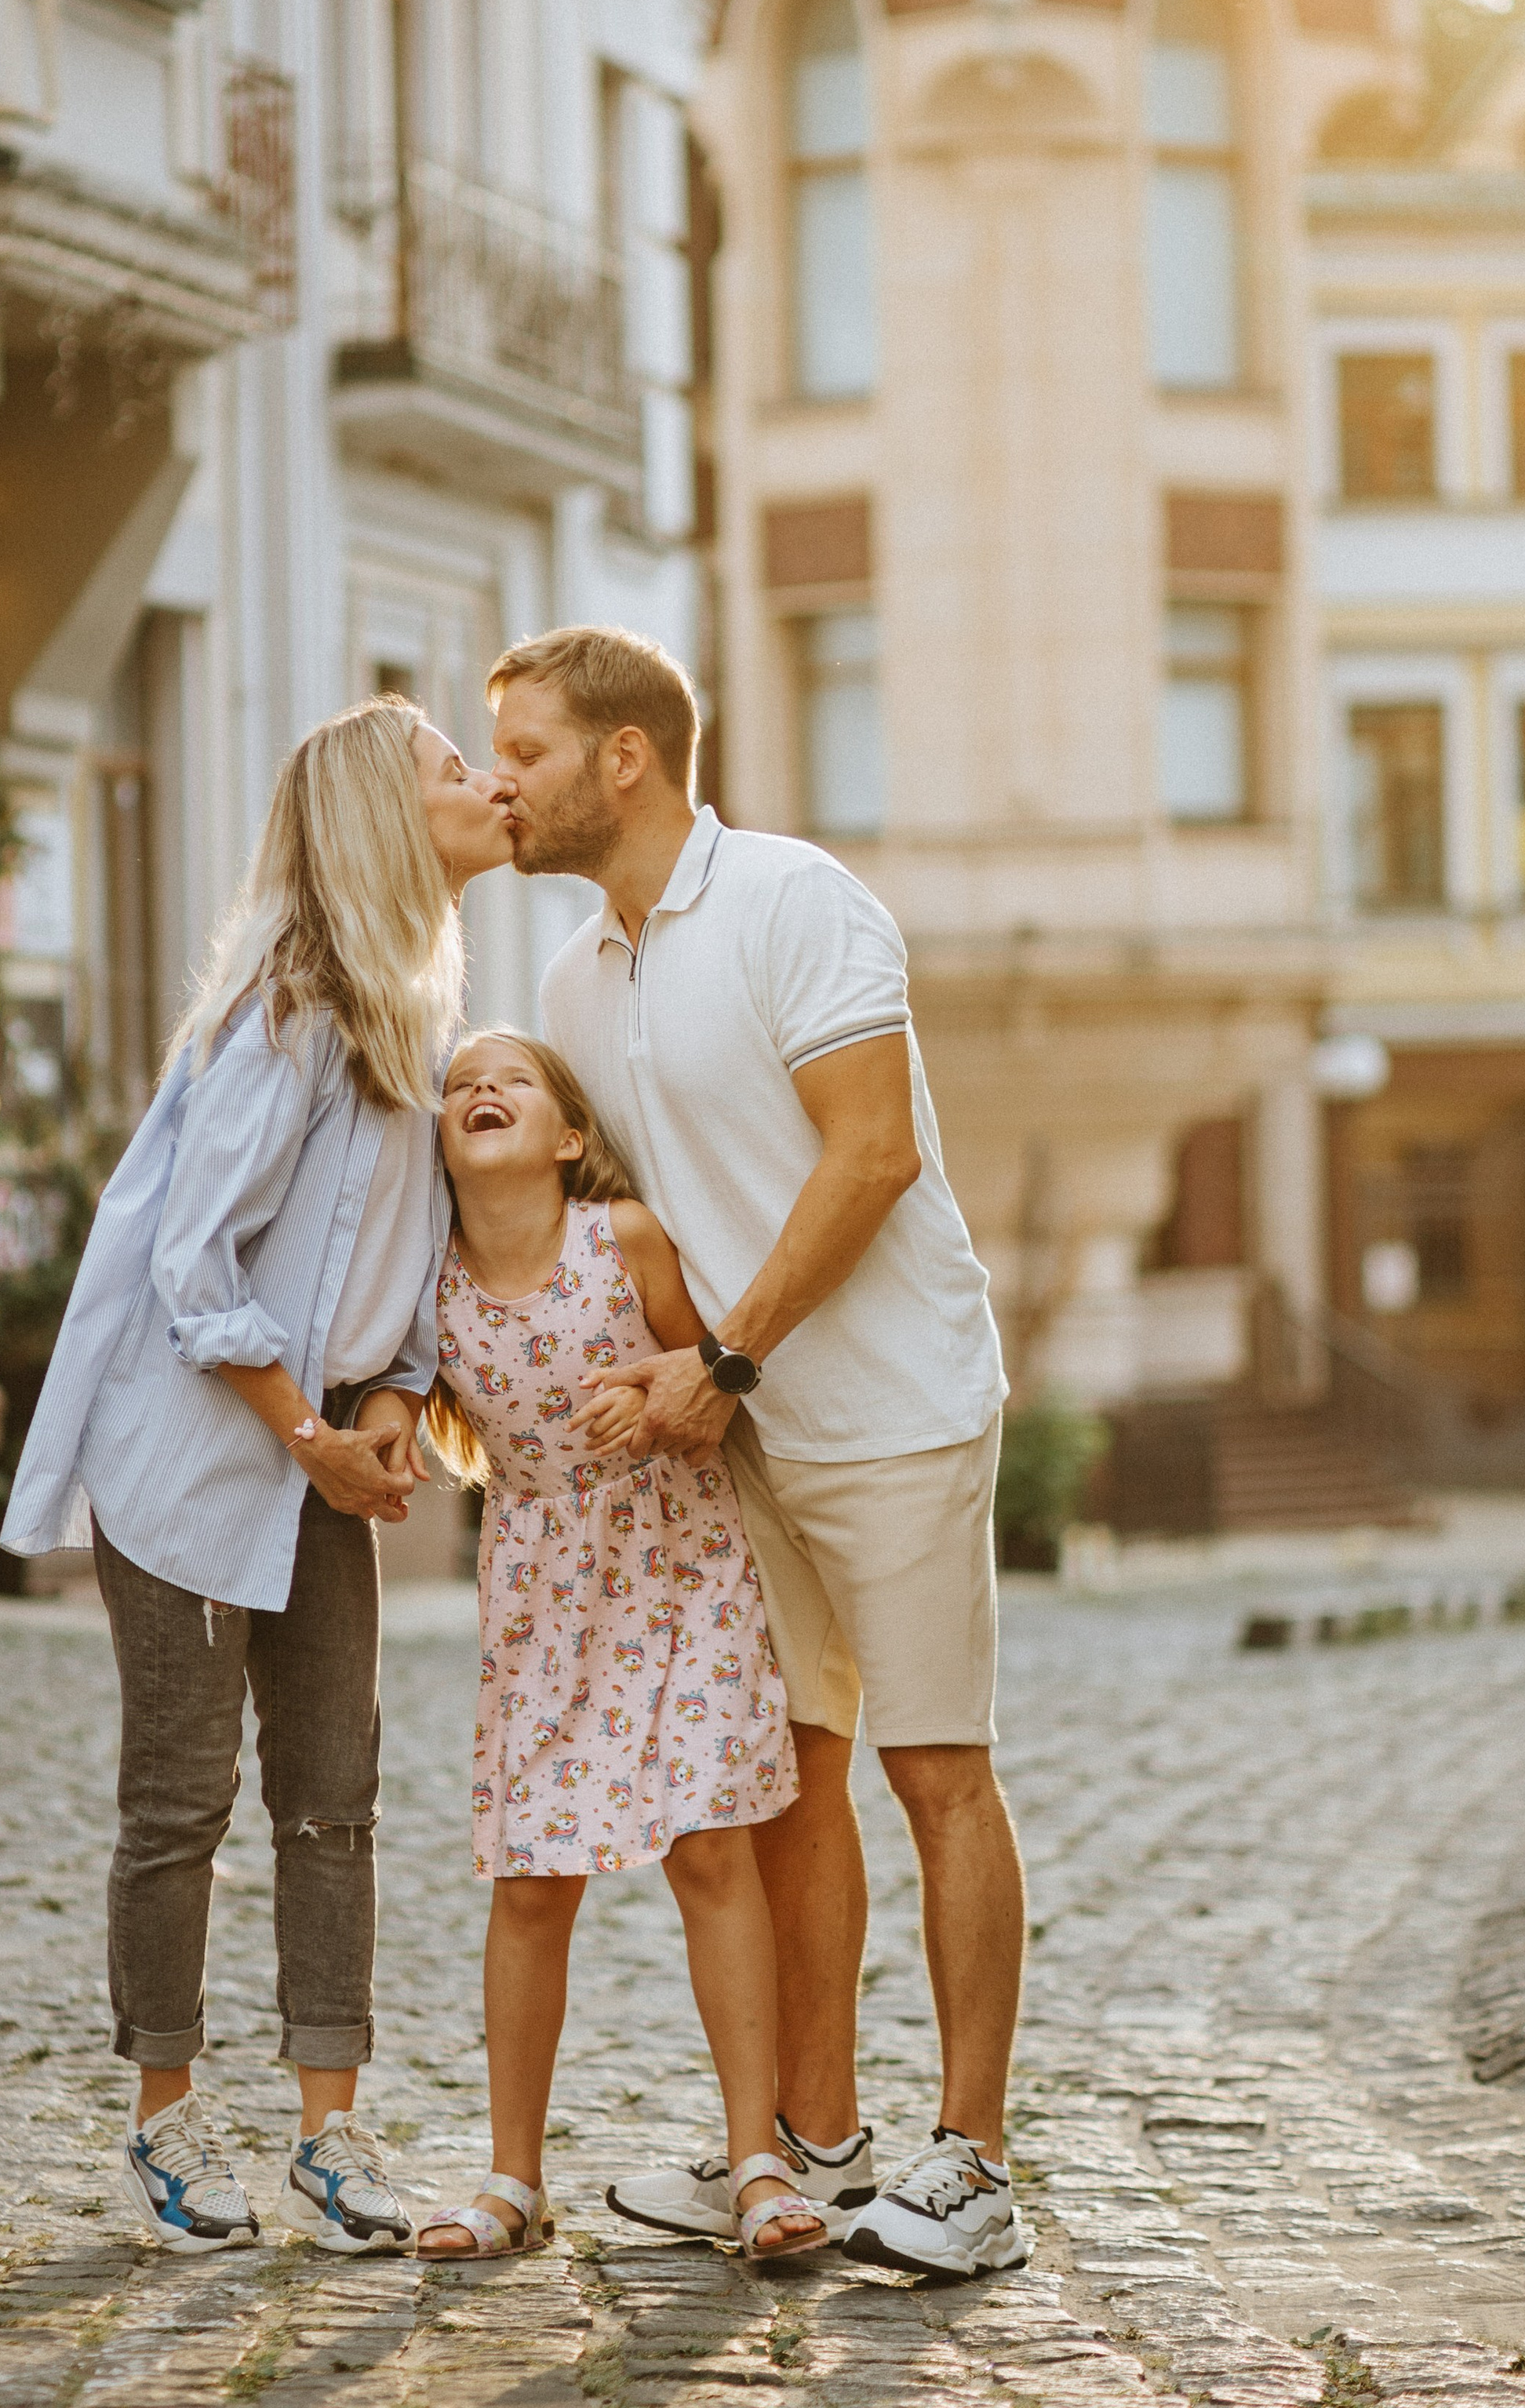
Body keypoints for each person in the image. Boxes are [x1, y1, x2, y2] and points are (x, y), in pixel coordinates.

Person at [486, 625, 1028, 2281]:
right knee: (788, 1774)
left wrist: (725, 1357)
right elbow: (612, 1217)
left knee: (931, 1766)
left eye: (521, 751)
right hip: (732, 1437)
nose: (499, 781)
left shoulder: (797, 900)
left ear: (623, 757)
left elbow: (868, 1159)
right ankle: (816, 2142)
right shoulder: (577, 976)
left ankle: (974, 2159)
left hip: (891, 1407)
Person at [0, 699, 512, 2257]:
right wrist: (311, 1431)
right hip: (185, 1457)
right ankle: (161, 2124)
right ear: (378, 816)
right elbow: (192, 1263)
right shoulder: (288, 1013)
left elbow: (403, 1271)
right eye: (449, 768)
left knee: (332, 1796)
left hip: (316, 1463)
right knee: (180, 1794)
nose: (481, 782)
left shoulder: (415, 1020)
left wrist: (397, 1402)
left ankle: (329, 2135)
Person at [413, 1028, 822, 2267]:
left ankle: (757, 2160)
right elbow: (392, 1385)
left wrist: (651, 1392)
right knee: (533, 1881)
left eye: (514, 1079)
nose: (482, 1090)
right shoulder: (425, 1282)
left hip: (678, 1561)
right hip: (542, 1594)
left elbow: (711, 1373)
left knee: (710, 1848)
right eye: (460, 1085)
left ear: (570, 1136)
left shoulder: (624, 1235)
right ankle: (513, 2174)